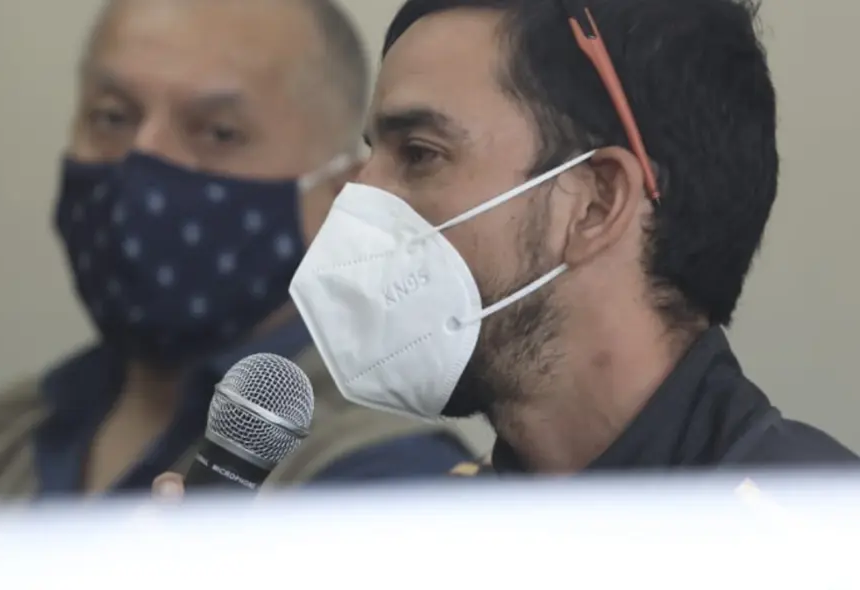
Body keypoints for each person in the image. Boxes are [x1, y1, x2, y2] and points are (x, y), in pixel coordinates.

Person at [0, 0, 493, 506]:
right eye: (112, 116)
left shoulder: (382, 477)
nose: (144, 161)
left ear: (337, 194)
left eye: (218, 132)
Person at [288, 0, 857, 477]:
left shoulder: (816, 548)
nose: (354, 200)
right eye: (371, 155)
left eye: (419, 154)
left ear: (595, 204)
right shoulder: (431, 546)